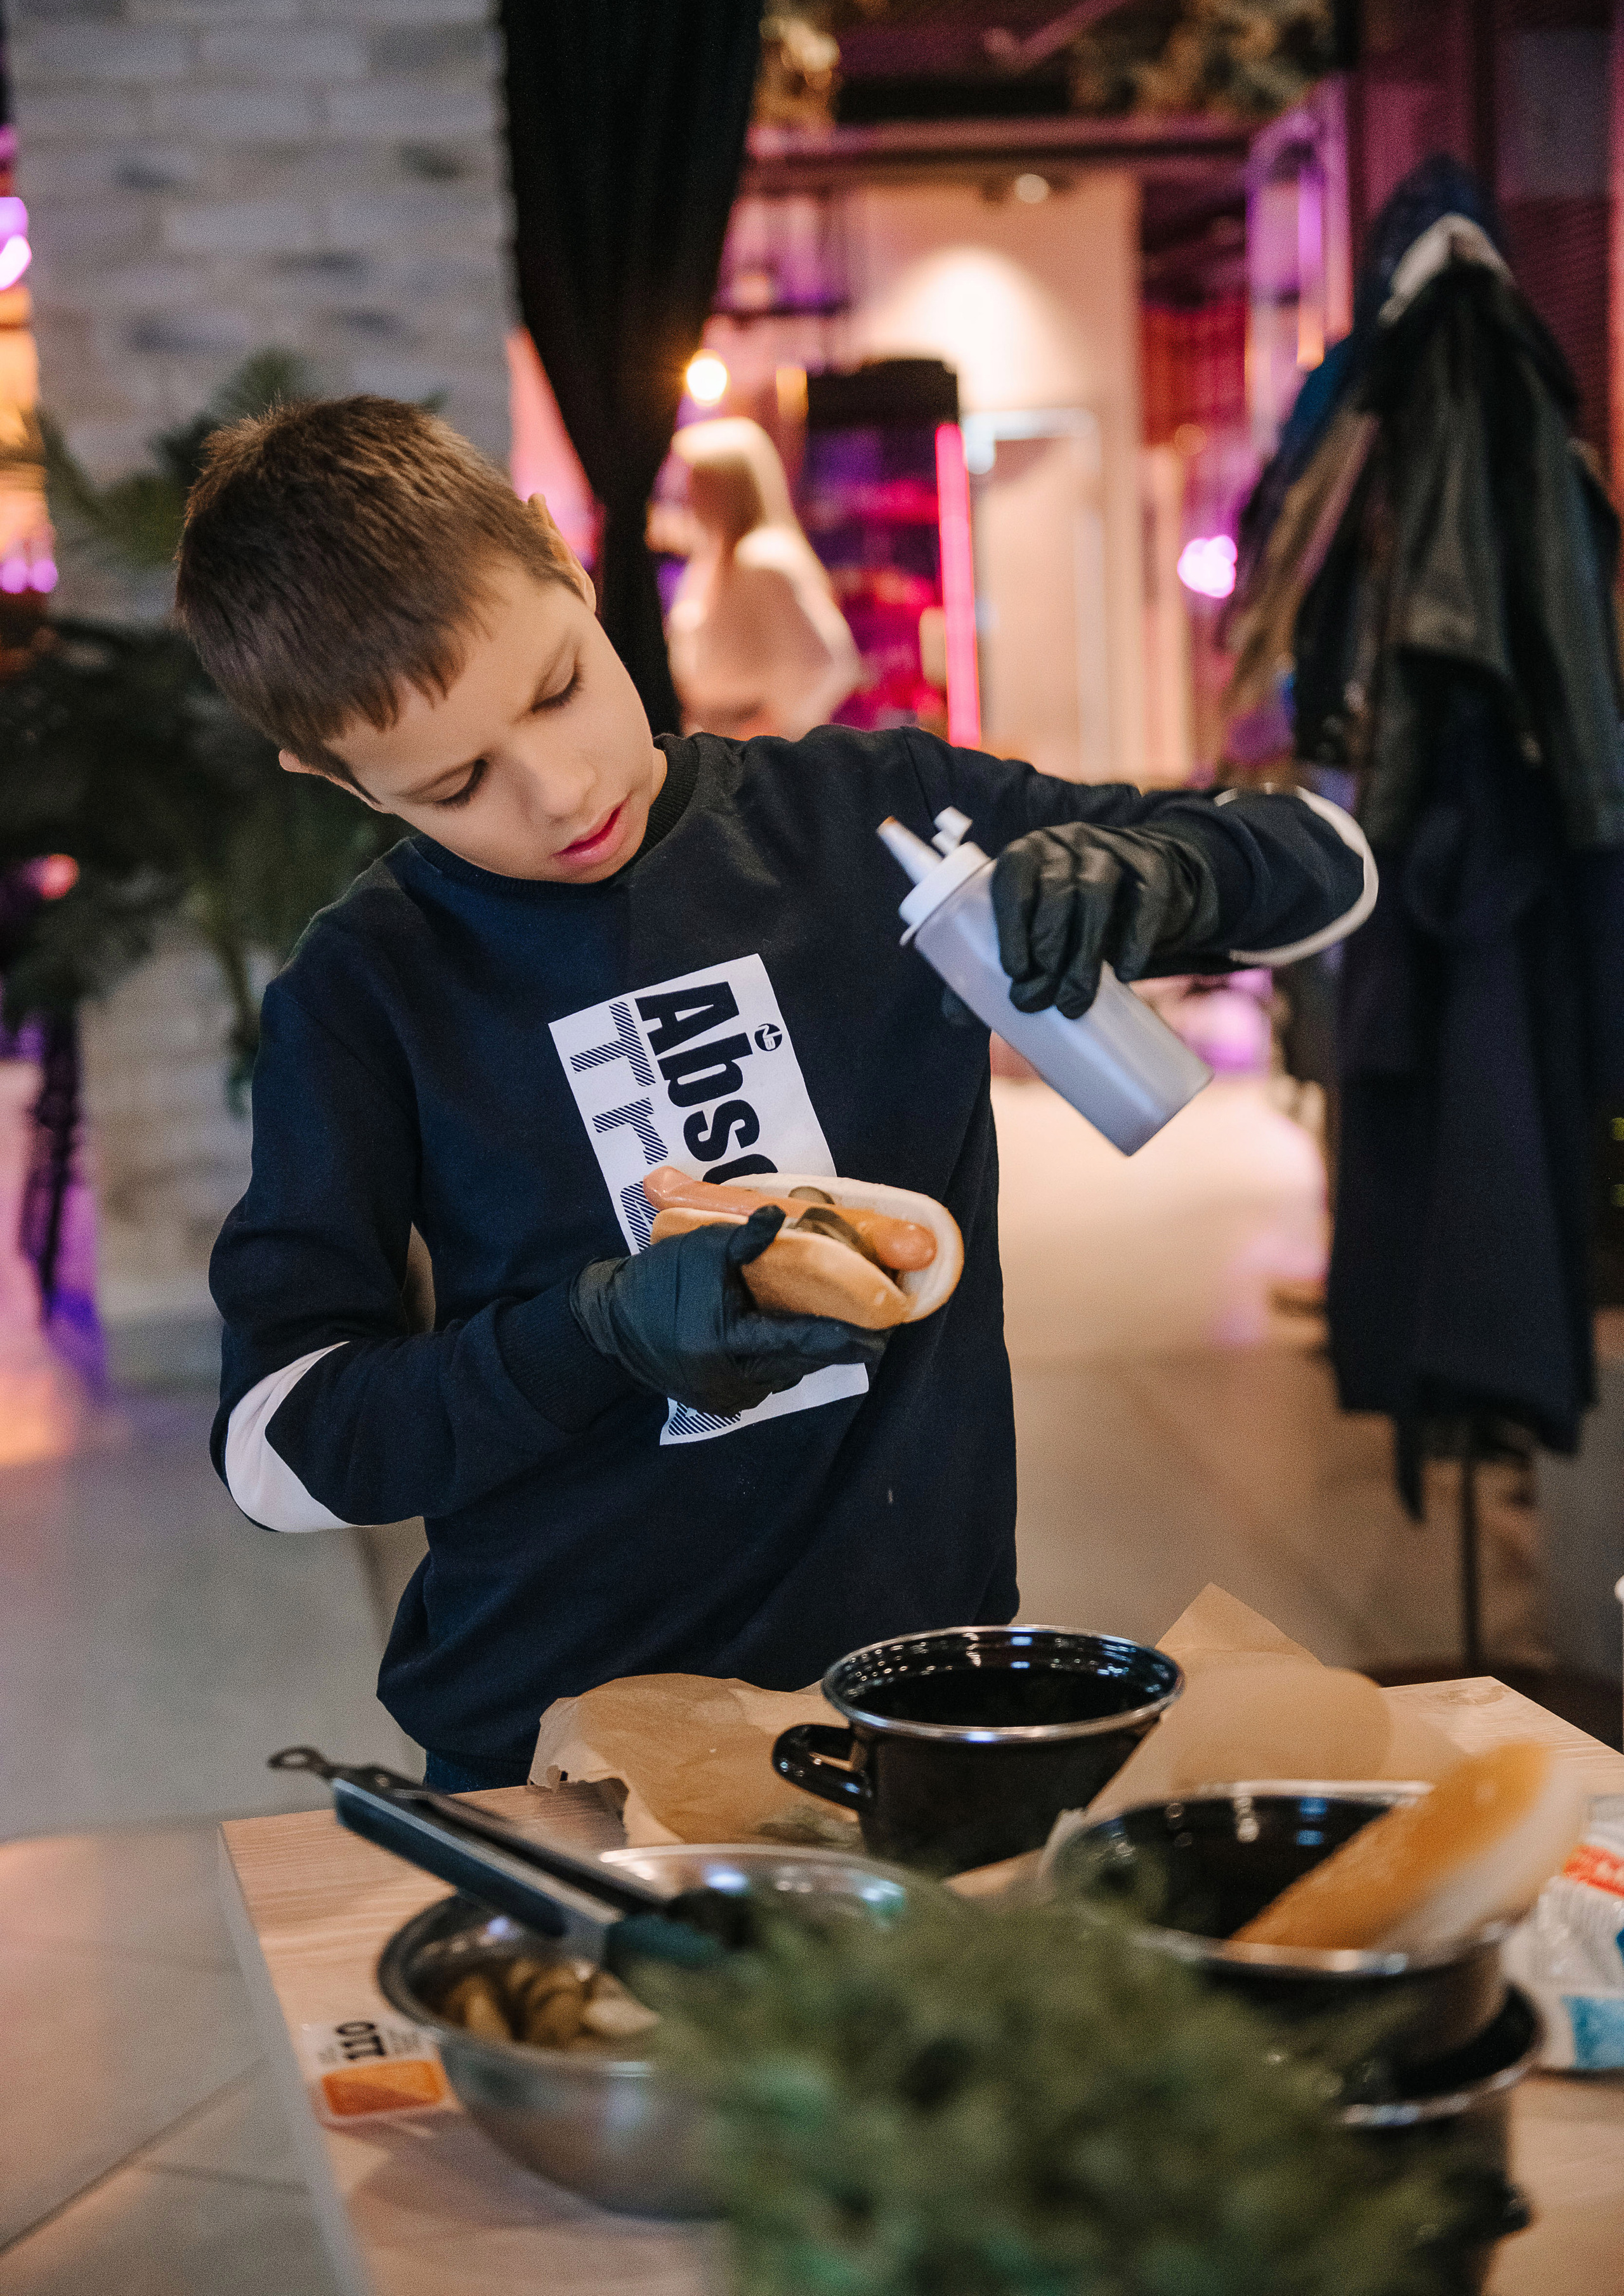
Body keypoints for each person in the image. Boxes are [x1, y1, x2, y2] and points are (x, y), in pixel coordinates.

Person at [176, 398, 1372, 1791]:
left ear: (563, 561)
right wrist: (597, 1336)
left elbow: (1326, 863)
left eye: (559, 686)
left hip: (913, 1690)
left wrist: (1165, 876)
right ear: (329, 774)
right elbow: (276, 1451)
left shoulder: (863, 819)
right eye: (456, 783)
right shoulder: (367, 990)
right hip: (555, 1740)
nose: (560, 793)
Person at [665, 415, 860, 739]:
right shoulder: (713, 558)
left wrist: (769, 731)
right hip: (712, 735)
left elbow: (828, 663)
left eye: (698, 482)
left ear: (726, 486)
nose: (688, 495)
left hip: (746, 742)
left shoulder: (763, 559)